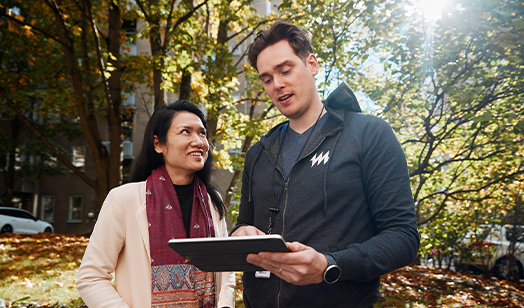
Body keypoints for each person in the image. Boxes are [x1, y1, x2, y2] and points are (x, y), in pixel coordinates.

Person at [230, 21, 420, 307]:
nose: (277, 84)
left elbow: (403, 237)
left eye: (285, 70)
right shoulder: (258, 152)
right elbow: (244, 222)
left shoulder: (369, 134)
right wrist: (240, 233)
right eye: (267, 78)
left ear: (312, 64)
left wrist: (330, 265)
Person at [77, 100, 235, 307]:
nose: (199, 141)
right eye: (186, 132)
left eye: (202, 133)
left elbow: (225, 277)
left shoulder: (211, 201)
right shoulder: (125, 199)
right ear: (158, 144)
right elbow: (91, 278)